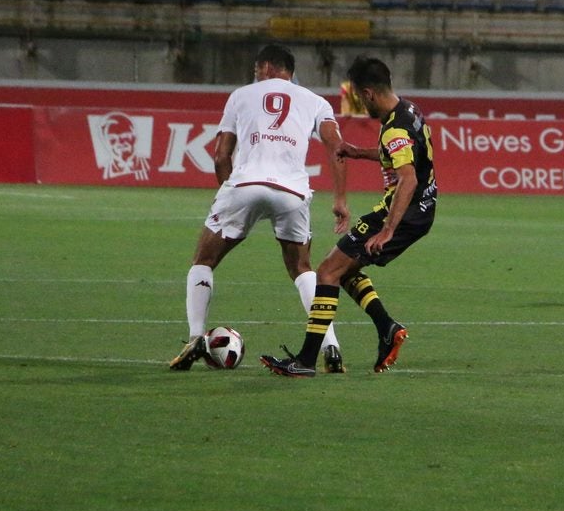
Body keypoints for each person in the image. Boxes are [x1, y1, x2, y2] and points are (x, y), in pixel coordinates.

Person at [170, 44, 351, 373]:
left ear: (267, 67)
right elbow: (336, 147)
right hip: (292, 192)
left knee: (204, 260)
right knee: (303, 269)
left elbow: (221, 155)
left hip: (245, 185)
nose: (256, 75)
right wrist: (340, 199)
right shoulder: (316, 102)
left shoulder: (240, 95)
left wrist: (229, 193)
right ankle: (332, 346)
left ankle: (196, 337)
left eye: (257, 70)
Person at [261, 55, 437, 378]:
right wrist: (359, 153)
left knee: (327, 270)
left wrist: (387, 230)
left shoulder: (393, 128)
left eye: (357, 96)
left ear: (368, 93)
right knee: (343, 266)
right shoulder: (408, 110)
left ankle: (305, 360)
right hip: (421, 209)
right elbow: (406, 155)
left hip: (402, 211)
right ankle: (387, 328)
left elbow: (408, 178)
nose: (358, 103)